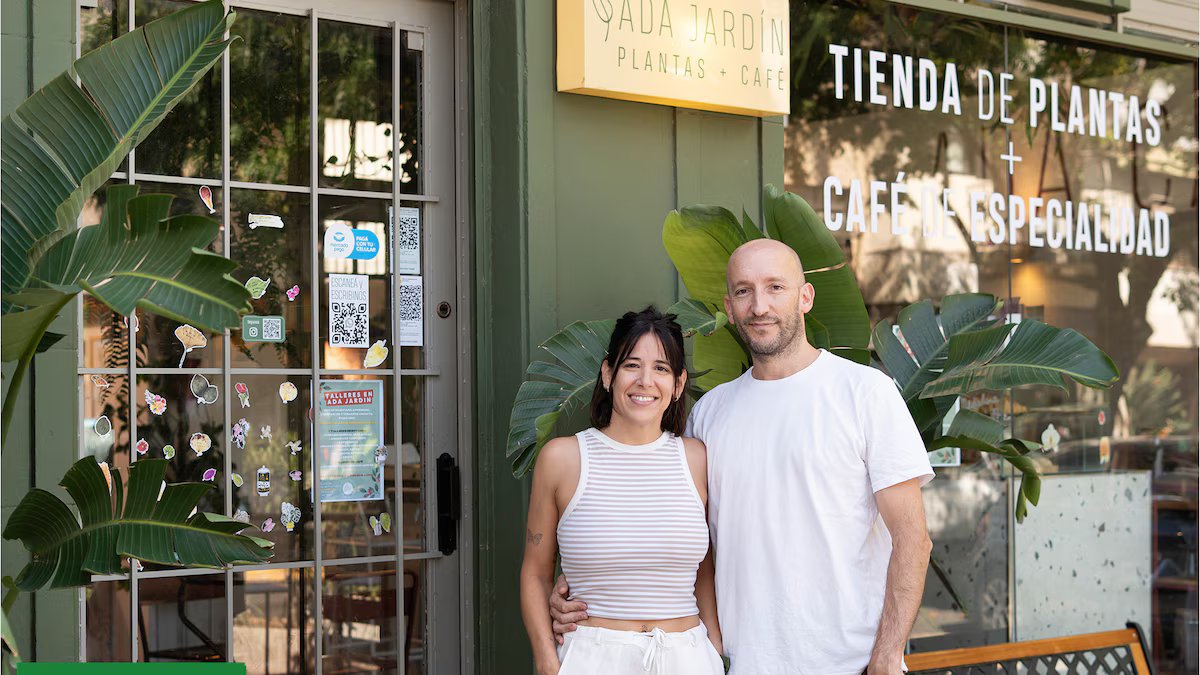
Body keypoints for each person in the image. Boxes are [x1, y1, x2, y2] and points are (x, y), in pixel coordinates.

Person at [551, 240, 935, 674]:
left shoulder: (864, 393)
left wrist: (887, 656)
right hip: (740, 664)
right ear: (729, 308)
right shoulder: (709, 414)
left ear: (805, 297)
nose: (759, 306)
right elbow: (670, 534)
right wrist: (576, 587)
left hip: (849, 664)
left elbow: (912, 539)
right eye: (743, 291)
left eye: (775, 287)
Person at [520, 306, 725, 675]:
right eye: (632, 365)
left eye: (661, 368)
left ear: (678, 384)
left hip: (688, 656)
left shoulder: (697, 459)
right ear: (608, 373)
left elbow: (703, 570)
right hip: (593, 658)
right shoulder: (563, 458)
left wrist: (714, 647)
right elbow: (535, 571)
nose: (645, 381)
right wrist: (548, 663)